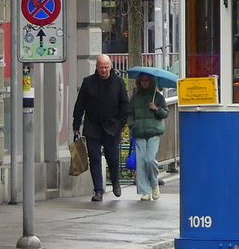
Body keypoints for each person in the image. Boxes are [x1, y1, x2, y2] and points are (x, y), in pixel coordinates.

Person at [71, 54, 129, 201]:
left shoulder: (118, 82)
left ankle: (115, 182)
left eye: (106, 67)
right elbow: (80, 105)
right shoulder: (88, 82)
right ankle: (98, 190)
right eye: (101, 67)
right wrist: (76, 125)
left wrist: (120, 123)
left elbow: (124, 104)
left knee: (113, 157)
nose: (104, 70)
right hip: (93, 127)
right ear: (96, 67)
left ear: (110, 67)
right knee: (95, 157)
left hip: (112, 127)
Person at [127, 72, 170, 201]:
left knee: (150, 160)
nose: (144, 83)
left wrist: (156, 109)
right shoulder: (135, 98)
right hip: (139, 132)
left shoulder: (157, 97)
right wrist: (132, 125)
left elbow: (165, 113)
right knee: (140, 162)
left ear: (151, 82)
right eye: (142, 81)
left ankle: (154, 184)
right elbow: (130, 114)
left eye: (147, 81)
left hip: (154, 132)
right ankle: (144, 190)